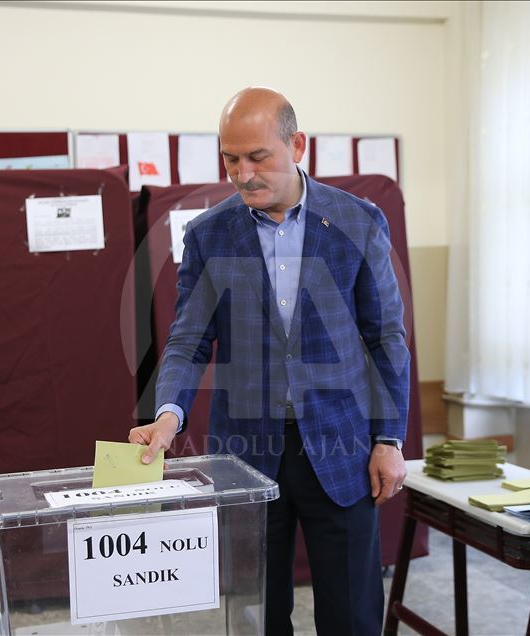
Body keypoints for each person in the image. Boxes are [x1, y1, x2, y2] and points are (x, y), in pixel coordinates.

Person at [129, 87, 411, 635]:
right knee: (256, 616)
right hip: (247, 455)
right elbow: (188, 340)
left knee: (352, 616)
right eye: (230, 158)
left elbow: (385, 338)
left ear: (297, 145)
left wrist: (389, 438)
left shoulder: (358, 221)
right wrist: (168, 415)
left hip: (343, 449)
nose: (242, 173)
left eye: (258, 156)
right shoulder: (209, 235)